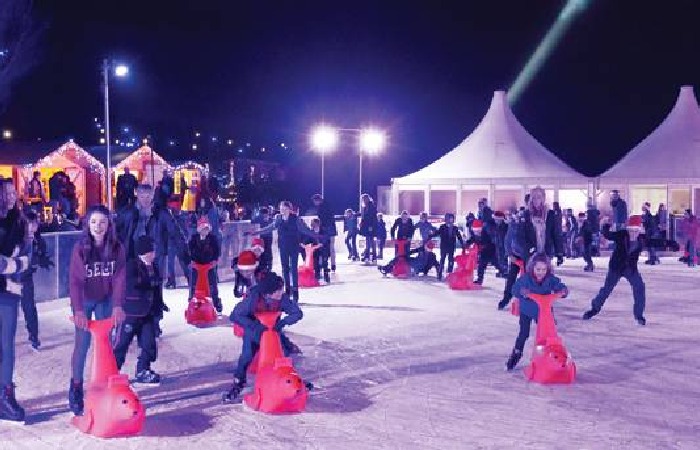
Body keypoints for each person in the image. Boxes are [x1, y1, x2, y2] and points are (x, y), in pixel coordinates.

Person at [68, 205, 127, 416]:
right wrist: (78, 310)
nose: (98, 226)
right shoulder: (81, 248)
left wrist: (118, 304)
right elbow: (75, 281)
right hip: (84, 300)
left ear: (109, 224)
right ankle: (75, 387)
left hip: (105, 298)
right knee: (82, 345)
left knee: (105, 344)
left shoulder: (117, 248)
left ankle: (103, 385)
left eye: (102, 222)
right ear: (87, 224)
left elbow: (120, 278)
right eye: (93, 222)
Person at [223, 272, 303, 403]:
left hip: (273, 333)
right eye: (278, 290)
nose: (281, 292)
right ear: (268, 292)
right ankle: (238, 381)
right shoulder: (253, 299)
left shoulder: (282, 299)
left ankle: (288, 379)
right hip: (254, 334)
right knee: (247, 356)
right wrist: (255, 326)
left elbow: (297, 313)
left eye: (281, 289)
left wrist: (283, 322)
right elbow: (235, 315)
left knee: (284, 356)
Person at [113, 235, 165, 385]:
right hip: (130, 313)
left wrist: (160, 304)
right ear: (144, 252)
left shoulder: (154, 267)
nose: (154, 254)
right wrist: (148, 282)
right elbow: (132, 284)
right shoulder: (131, 266)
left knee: (149, 344)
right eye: (152, 251)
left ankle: (143, 369)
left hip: (148, 314)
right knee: (121, 344)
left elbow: (156, 289)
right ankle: (112, 371)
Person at [498, 188, 561, 310]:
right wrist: (524, 251)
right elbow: (514, 236)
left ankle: (545, 306)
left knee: (545, 277)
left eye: (540, 197)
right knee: (519, 276)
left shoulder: (550, 215)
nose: (537, 200)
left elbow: (555, 234)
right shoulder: (523, 216)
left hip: (543, 252)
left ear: (543, 198)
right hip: (524, 253)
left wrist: (559, 252)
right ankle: (508, 297)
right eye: (534, 197)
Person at [0, 178, 32, 423]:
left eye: (13, 192)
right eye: (6, 193)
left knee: (7, 346)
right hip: (7, 284)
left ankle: (4, 395)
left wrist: (9, 264)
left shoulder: (19, 223)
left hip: (9, 292)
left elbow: (27, 259)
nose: (11, 197)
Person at [505, 253, 568, 371]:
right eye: (538, 269)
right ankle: (516, 353)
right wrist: (522, 292)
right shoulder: (525, 279)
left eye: (544, 269)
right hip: (527, 310)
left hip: (544, 312)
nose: (541, 272)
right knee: (524, 333)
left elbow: (559, 285)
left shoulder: (550, 279)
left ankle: (550, 354)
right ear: (532, 268)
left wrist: (563, 291)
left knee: (549, 333)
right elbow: (514, 289)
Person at [246, 201, 318, 301]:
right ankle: (287, 290)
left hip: (293, 246)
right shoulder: (278, 218)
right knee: (285, 268)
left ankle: (295, 291)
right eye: (280, 208)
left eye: (283, 208)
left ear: (289, 209)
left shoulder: (295, 219)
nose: (281, 210)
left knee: (293, 268)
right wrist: (255, 232)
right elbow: (269, 228)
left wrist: (317, 235)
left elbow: (304, 230)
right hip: (283, 246)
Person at [583, 216, 647, 325]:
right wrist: (606, 225)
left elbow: (655, 242)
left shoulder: (641, 239)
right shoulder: (621, 235)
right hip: (616, 268)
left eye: (636, 230)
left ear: (639, 230)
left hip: (630, 269)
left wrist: (669, 244)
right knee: (606, 289)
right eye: (631, 230)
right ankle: (594, 309)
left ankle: (639, 315)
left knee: (639, 287)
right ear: (628, 229)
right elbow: (608, 235)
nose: (633, 233)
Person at [18, 211, 53, 350]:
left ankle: (34, 337)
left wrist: (41, 260)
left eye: (35, 224)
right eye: (29, 224)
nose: (33, 227)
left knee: (29, 308)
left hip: (26, 278)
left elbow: (40, 256)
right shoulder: (14, 238)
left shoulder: (39, 241)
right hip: (9, 278)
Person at [188, 217, 222, 312]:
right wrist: (191, 260)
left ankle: (215, 301)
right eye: (203, 229)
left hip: (209, 264)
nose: (205, 231)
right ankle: (192, 300)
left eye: (207, 229)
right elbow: (189, 250)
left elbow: (216, 251)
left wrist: (215, 260)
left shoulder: (212, 239)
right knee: (194, 283)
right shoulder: (194, 239)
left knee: (212, 284)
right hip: (197, 264)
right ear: (199, 229)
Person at [431, 213, 464, 281]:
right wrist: (431, 235)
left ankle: (450, 273)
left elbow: (459, 236)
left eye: (452, 218)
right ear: (447, 219)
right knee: (442, 259)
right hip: (444, 246)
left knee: (451, 260)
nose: (451, 220)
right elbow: (437, 233)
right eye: (450, 218)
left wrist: (462, 244)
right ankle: (439, 274)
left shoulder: (455, 228)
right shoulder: (442, 227)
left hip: (451, 246)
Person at [312, 194, 338, 272]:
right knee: (331, 247)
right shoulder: (328, 205)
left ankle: (322, 264)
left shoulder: (321, 208)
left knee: (323, 246)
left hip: (326, 229)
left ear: (317, 200)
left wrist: (321, 228)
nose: (314, 203)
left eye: (314, 201)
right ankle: (333, 264)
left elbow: (323, 220)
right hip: (331, 228)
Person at [307, 218, 331, 283]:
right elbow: (308, 240)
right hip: (315, 250)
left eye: (314, 223)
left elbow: (326, 238)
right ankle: (317, 276)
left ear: (318, 224)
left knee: (325, 263)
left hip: (323, 248)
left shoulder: (323, 230)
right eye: (312, 224)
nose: (312, 225)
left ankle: (326, 276)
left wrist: (321, 244)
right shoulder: (310, 231)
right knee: (316, 263)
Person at [251, 207, 274, 271]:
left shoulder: (258, 218)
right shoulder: (270, 219)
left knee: (262, 251)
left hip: (262, 237)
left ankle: (264, 265)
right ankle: (269, 265)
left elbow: (252, 221)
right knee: (268, 251)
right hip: (269, 237)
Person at [359, 194, 378, 262]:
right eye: (363, 199)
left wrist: (371, 226)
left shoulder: (371, 206)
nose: (364, 200)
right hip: (367, 226)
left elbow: (372, 217)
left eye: (365, 199)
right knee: (369, 240)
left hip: (370, 226)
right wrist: (362, 222)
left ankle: (372, 256)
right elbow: (364, 217)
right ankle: (369, 256)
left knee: (371, 241)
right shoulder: (366, 207)